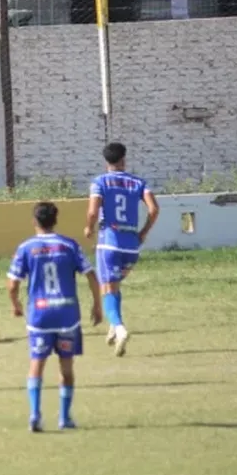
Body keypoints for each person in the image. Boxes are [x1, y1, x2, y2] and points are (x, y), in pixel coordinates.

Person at [8, 202, 102, 432]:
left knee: (36, 364)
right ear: (55, 220)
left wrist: (16, 304)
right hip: (67, 314)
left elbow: (12, 284)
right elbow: (91, 275)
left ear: (34, 221)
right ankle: (64, 417)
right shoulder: (69, 245)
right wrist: (97, 305)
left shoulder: (26, 248)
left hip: (40, 314)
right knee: (66, 367)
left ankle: (35, 414)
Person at [84, 142, 160, 356]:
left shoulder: (100, 182)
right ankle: (113, 324)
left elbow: (92, 211)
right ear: (124, 159)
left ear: (105, 161)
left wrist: (89, 227)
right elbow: (154, 209)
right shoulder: (138, 182)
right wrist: (143, 232)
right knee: (113, 286)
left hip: (109, 242)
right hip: (131, 247)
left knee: (107, 287)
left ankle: (119, 328)